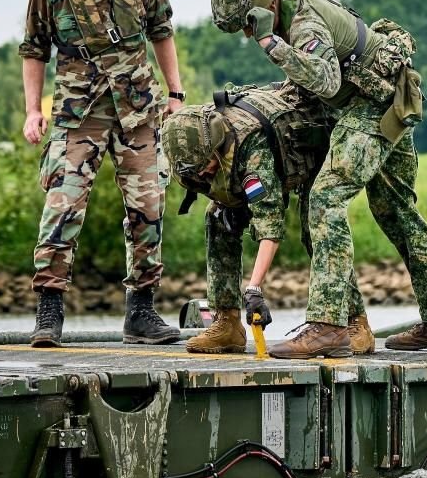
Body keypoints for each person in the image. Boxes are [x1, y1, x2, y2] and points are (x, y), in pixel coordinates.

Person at [210, 0, 427, 358]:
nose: (247, 34)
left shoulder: (302, 23)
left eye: (247, 26)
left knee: (325, 197)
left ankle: (328, 327)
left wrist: (271, 46)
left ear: (261, 9)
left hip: (372, 104)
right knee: (397, 211)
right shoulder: (292, 1)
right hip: (390, 98)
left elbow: (326, 81)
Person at [19, 0, 186, 347]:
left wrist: (174, 94)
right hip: (79, 112)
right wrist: (34, 110)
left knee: (148, 209)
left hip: (137, 108)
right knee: (63, 206)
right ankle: (49, 314)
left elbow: (161, 31)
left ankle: (142, 312)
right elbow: (34, 51)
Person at [161, 82, 376, 355]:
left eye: (205, 166)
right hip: (260, 159)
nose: (202, 174)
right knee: (217, 216)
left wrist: (253, 289)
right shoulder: (189, 149)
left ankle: (356, 323)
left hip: (313, 153)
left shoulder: (252, 150)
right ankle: (227, 322)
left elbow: (270, 224)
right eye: (196, 171)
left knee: (318, 230)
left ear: (216, 147)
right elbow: (212, 182)